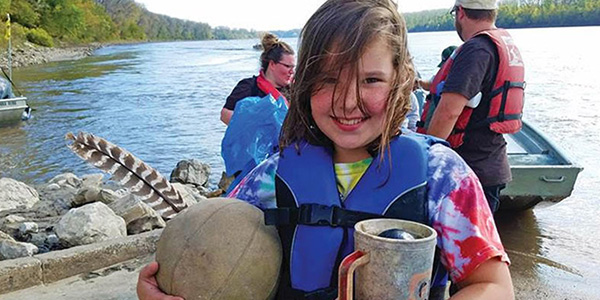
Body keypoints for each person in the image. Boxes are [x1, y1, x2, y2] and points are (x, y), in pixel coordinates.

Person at [137, 0, 514, 299]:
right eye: (329, 80)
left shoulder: (442, 175)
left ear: (400, 80)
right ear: (303, 84)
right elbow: (209, 245)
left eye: (371, 80)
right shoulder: (271, 176)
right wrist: (161, 285)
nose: (348, 102)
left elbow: (495, 286)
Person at [417, 0, 525, 213]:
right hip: (490, 165)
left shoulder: (476, 49)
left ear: (461, 13)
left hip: (469, 172)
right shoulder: (499, 44)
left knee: (457, 245)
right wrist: (419, 83)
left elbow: (449, 111)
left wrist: (426, 159)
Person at [220, 32, 295, 125]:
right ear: (272, 64)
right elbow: (225, 114)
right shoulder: (249, 87)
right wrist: (257, 126)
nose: (292, 72)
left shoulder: (294, 91)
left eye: (293, 67)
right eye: (287, 66)